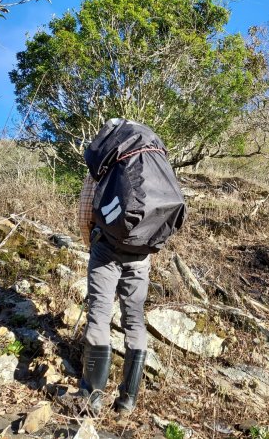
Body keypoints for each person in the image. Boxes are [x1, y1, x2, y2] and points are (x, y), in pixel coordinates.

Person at [77, 172, 151, 417]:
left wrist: (93, 243)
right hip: (141, 252)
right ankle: (128, 401)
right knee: (135, 320)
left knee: (99, 314)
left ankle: (92, 397)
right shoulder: (150, 160)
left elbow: (86, 212)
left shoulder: (105, 160)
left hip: (106, 247)